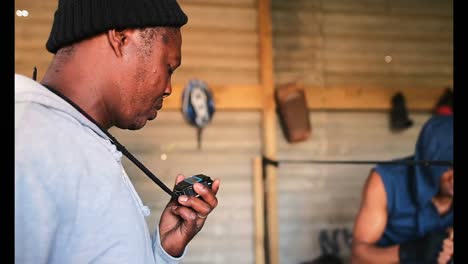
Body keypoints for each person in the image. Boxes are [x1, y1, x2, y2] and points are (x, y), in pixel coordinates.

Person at [15, 0, 220, 263]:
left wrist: (162, 253)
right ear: (121, 37)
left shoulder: (86, 139)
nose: (169, 88)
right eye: (169, 68)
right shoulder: (25, 137)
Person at [351, 115, 453, 264]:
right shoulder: (386, 181)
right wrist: (412, 251)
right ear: (430, 157)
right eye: (449, 166)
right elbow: (357, 257)